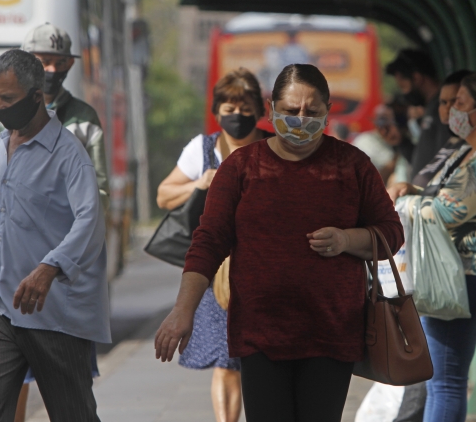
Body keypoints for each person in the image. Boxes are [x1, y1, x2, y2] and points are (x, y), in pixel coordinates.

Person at [154, 64, 404, 422]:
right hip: (260, 334)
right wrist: (183, 310)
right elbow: (208, 242)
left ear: (328, 111)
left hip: (332, 333)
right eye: (290, 110)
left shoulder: (352, 165)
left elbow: (391, 232)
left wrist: (347, 239)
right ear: (271, 110)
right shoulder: (241, 167)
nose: (301, 119)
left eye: (312, 111)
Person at [0, 49, 110, 422]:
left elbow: (91, 222)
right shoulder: (2, 146)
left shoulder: (68, 154)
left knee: (73, 414)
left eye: (8, 98)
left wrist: (49, 268)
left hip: (52, 315)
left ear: (36, 96)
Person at [389, 72, 476, 422]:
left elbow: (444, 211)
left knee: (445, 382)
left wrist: (401, 201)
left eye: (460, 103)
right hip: (464, 271)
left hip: (464, 275)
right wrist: (417, 195)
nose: (452, 110)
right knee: (443, 381)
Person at [156, 68, 270, 422]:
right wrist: (200, 184)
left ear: (260, 110)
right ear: (217, 111)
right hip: (216, 271)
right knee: (226, 359)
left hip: (268, 268)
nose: (237, 116)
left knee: (265, 358)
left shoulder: (274, 147)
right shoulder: (202, 149)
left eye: (245, 108)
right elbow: (163, 195)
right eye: (229, 108)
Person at [0, 22, 109, 210]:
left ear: (70, 64)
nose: (52, 70)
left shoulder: (84, 119)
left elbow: (99, 193)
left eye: (60, 63)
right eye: (44, 62)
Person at [386, 49, 452, 177]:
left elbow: (442, 162)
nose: (404, 94)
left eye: (403, 87)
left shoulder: (442, 110)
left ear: (416, 78)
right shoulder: (430, 109)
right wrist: (401, 141)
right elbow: (425, 161)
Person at [352, 103, 414, 185]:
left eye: (388, 127)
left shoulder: (412, 141)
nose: (384, 131)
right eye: (380, 126)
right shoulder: (367, 142)